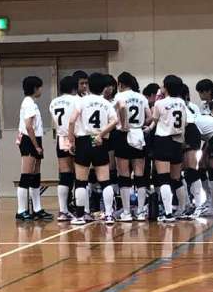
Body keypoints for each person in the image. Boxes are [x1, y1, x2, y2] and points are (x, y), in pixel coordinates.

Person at [68, 73, 118, 225]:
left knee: (81, 181)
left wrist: (71, 141)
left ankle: (80, 216)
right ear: (103, 88)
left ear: (89, 86)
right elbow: (115, 121)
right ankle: (109, 215)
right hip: (99, 141)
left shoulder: (82, 101)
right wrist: (101, 134)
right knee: (105, 181)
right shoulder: (106, 103)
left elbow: (71, 121)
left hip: (83, 141)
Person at [114, 72, 152, 222]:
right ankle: (141, 211)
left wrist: (124, 124)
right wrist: (141, 124)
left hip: (123, 135)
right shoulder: (141, 97)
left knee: (124, 175)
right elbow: (150, 117)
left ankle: (126, 212)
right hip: (138, 134)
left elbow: (122, 107)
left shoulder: (119, 96)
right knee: (139, 174)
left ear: (120, 84)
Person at [16, 76, 53, 221]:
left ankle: (37, 209)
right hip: (29, 140)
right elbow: (28, 126)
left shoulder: (31, 103)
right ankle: (21, 210)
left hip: (35, 139)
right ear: (35, 88)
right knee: (26, 175)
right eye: (40, 87)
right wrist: (36, 146)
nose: (41, 90)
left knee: (35, 176)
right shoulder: (29, 103)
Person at [152, 75, 187, 223]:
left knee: (164, 178)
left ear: (166, 87)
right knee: (176, 178)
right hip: (177, 141)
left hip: (163, 141)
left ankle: (167, 213)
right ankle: (182, 209)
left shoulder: (159, 103)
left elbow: (153, 121)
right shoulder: (182, 102)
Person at [49, 76, 80, 222]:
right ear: (74, 87)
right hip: (75, 137)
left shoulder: (53, 102)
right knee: (80, 174)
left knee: (65, 175)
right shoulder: (77, 100)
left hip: (61, 138)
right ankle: (82, 209)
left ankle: (63, 211)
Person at [196, 79, 213, 207]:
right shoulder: (203, 105)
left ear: (208, 91)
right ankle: (209, 197)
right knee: (201, 168)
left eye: (201, 92)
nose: (200, 95)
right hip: (207, 139)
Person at [181, 84, 203, 218]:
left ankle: (199, 204)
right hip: (179, 132)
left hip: (190, 131)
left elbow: (195, 122)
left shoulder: (190, 107)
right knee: (180, 172)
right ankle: (187, 204)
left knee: (192, 170)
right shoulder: (172, 103)